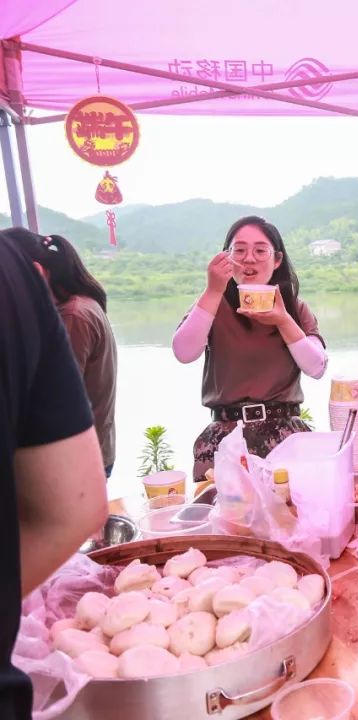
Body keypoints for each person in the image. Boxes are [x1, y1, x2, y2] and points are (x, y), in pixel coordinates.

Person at [0, 230, 108, 718]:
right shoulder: (16, 283)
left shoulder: (73, 316)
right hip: (78, 463)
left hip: (71, 461)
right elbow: (76, 510)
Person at [172, 216, 327, 482]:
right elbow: (184, 352)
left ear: (277, 260)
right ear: (226, 258)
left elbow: (317, 367)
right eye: (239, 250)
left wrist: (282, 320)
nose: (249, 259)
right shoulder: (213, 304)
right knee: (227, 521)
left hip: (285, 437)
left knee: (291, 518)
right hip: (226, 439)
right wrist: (212, 291)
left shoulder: (294, 308)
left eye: (260, 250)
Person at [5, 228, 117, 477]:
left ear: (35, 272)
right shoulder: (81, 307)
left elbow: (55, 397)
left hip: (73, 463)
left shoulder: (74, 317)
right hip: (85, 454)